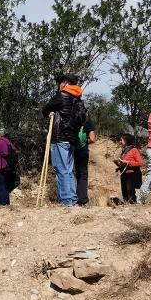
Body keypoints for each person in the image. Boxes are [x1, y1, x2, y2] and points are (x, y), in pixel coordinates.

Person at [41, 73, 85, 207]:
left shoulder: (62, 96)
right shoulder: (78, 99)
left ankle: (66, 201)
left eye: (60, 82)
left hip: (59, 138)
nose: (59, 85)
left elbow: (45, 109)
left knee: (61, 169)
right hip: (71, 139)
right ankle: (71, 199)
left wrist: (49, 112)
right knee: (69, 170)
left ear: (65, 83)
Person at [112, 134, 143, 204]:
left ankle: (132, 207)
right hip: (124, 174)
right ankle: (127, 205)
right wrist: (118, 164)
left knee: (131, 193)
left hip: (131, 174)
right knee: (124, 192)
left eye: (121, 140)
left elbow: (140, 163)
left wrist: (127, 162)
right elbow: (124, 163)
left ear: (126, 141)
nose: (120, 142)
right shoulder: (124, 151)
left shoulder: (134, 150)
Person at [74, 116, 98, 206]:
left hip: (71, 150)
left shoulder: (71, 117)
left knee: (71, 173)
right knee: (82, 175)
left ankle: (71, 198)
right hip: (83, 151)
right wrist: (86, 141)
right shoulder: (88, 120)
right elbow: (92, 139)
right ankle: (82, 200)